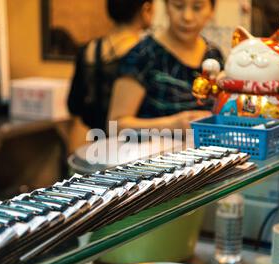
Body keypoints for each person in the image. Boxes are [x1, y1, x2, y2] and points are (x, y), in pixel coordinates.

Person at [109, 0, 223, 131]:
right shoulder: (143, 56)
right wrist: (171, 125)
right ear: (166, 7)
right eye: (178, 6)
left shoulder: (214, 55)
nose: (187, 17)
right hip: (152, 149)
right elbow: (116, 125)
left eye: (197, 8)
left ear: (211, 11)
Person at [67, 0, 154, 153]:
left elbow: (74, 105)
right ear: (146, 9)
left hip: (92, 146)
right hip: (133, 148)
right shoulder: (144, 54)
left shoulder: (89, 49)